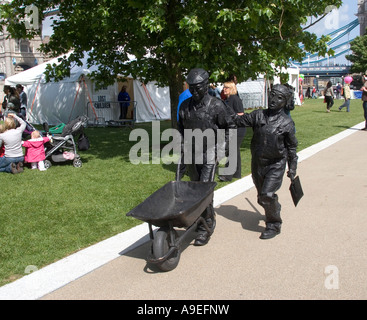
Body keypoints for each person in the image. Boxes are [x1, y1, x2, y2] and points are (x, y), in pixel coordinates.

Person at [177, 68, 236, 246]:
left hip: (210, 152)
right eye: (191, 87)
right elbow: (181, 129)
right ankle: (198, 218)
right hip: (192, 153)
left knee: (204, 191)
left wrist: (223, 149)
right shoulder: (185, 106)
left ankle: (206, 226)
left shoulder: (216, 105)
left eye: (198, 87)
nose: (194, 91)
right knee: (194, 190)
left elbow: (230, 126)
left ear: (206, 85)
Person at [234, 84, 298, 240]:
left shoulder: (286, 123)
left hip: (275, 164)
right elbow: (239, 121)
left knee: (266, 195)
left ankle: (274, 225)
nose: (274, 100)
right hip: (258, 164)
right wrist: (221, 115)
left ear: (286, 101)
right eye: (273, 95)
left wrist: (293, 167)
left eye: (280, 97)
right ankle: (273, 207)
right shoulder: (258, 115)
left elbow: (291, 148)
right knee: (262, 198)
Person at [218, 81, 246, 182]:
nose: (224, 89)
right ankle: (236, 173)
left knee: (231, 151)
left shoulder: (235, 99)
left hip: (237, 129)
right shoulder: (227, 100)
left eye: (227, 88)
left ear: (232, 89)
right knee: (235, 151)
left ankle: (227, 175)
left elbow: (240, 114)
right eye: (224, 87)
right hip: (233, 129)